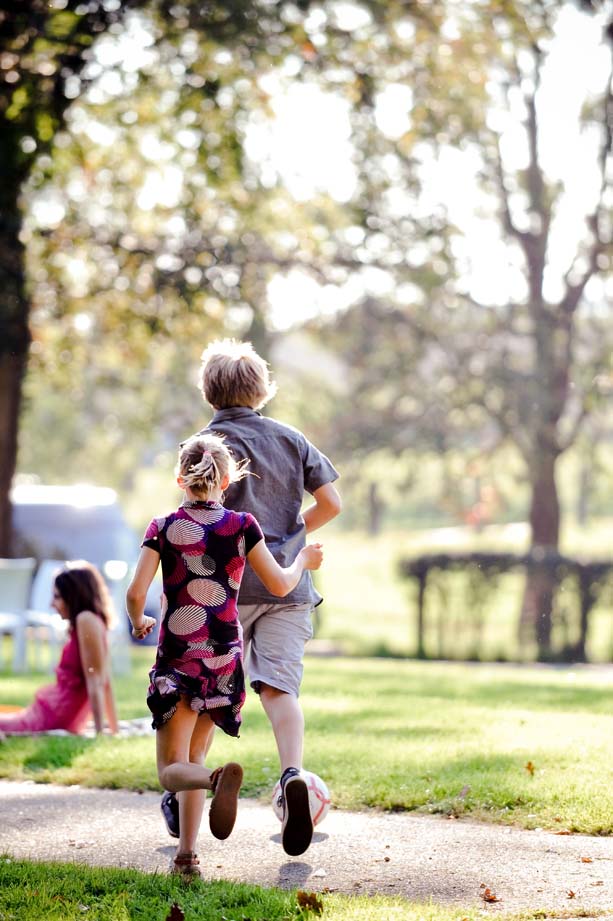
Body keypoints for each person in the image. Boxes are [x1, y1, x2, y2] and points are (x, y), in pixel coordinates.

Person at [162, 338, 341, 858]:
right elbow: (332, 502)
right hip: (287, 584)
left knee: (206, 699)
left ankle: (190, 788)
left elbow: (193, 521)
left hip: (225, 591)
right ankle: (292, 776)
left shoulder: (203, 446)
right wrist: (285, 536)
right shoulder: (291, 438)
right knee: (279, 690)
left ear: (207, 391)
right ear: (263, 388)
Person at [126, 432, 323, 876]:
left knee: (174, 769)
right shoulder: (243, 525)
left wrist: (138, 621)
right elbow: (278, 585)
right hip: (223, 662)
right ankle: (186, 857)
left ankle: (214, 781)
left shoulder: (162, 527)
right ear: (228, 480)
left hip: (178, 660)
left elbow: (136, 591)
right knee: (193, 756)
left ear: (180, 477)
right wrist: (303, 562)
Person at [0, 561, 118, 736]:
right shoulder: (92, 620)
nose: (51, 604)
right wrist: (114, 728)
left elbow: (97, 680)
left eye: (57, 597)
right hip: (57, 708)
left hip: (57, 714)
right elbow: (103, 679)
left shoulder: (85, 619)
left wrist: (101, 732)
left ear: (74, 596)